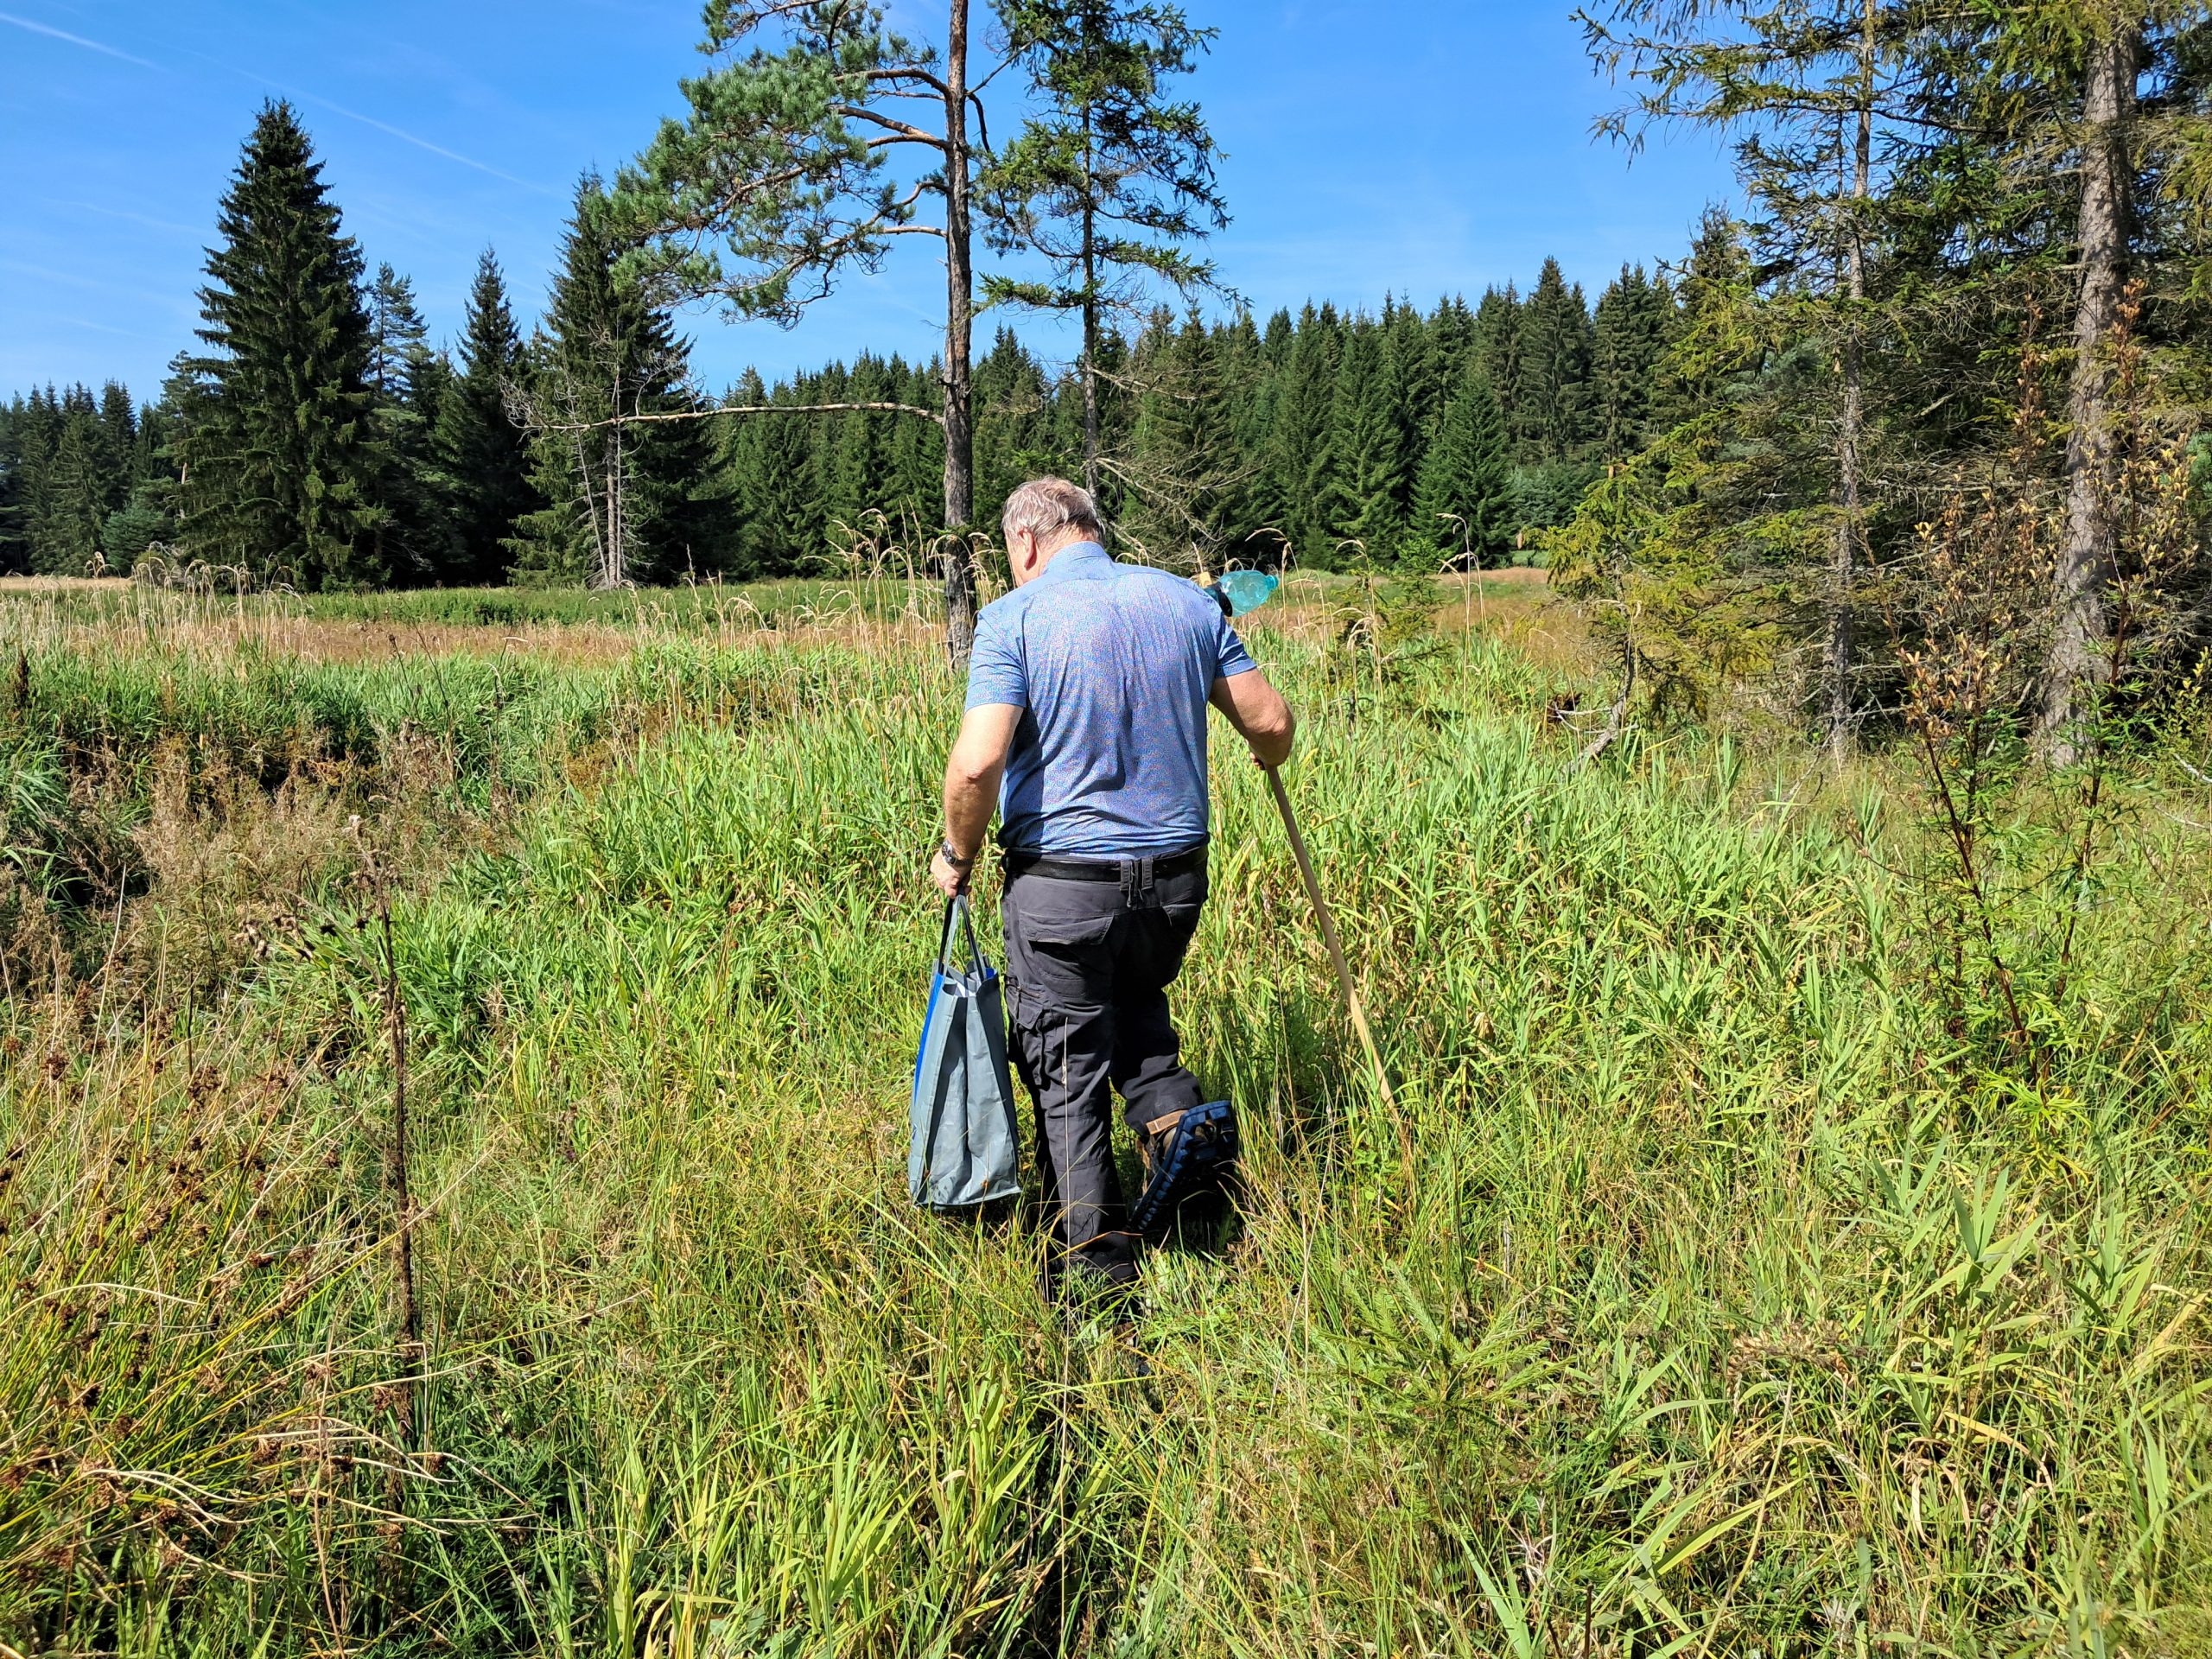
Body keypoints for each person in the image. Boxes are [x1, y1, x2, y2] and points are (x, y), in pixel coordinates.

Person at [930, 477, 1295, 1304]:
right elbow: (1270, 723)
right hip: (1175, 884)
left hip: (1063, 888)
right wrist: (1268, 758)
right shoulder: (1189, 605)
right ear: (1093, 530)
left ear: (1025, 543)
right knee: (1134, 1010)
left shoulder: (1014, 619)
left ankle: (1096, 1271)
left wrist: (958, 852)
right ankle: (1184, 1154)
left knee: (1065, 1069)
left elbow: (978, 764)